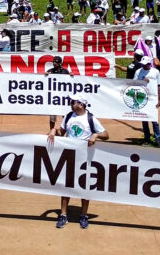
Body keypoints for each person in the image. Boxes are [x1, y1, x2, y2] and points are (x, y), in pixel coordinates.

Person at [47, 95, 108, 229]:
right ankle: (63, 215)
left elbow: (106, 134)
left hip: (85, 157)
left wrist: (96, 135)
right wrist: (54, 130)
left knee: (84, 187)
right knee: (66, 185)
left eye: (73, 102)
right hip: (69, 155)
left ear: (81, 104)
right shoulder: (69, 116)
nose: (71, 103)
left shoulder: (90, 118)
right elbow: (61, 132)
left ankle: (83, 215)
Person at [134, 57, 160, 146]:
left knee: (154, 120)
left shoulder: (155, 72)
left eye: (145, 64)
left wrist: (159, 99)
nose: (143, 65)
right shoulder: (138, 72)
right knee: (144, 120)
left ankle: (157, 139)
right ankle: (147, 138)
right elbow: (134, 84)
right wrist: (142, 81)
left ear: (149, 63)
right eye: (142, 64)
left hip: (153, 99)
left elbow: (159, 86)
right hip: (142, 98)